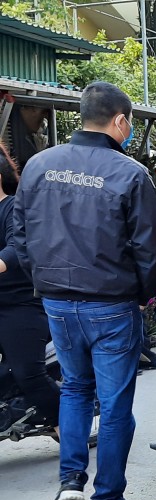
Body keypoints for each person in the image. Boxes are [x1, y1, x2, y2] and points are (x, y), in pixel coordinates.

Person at [13, 81, 156, 500]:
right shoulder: (129, 173)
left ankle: (69, 482)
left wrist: (42, 281)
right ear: (120, 121)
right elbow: (154, 248)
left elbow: (20, 236)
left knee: (75, 389)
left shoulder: (39, 166)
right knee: (116, 403)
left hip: (57, 305)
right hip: (111, 304)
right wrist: (141, 294)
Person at [0, 143, 61, 430]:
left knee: (28, 373)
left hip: (20, 304)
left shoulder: (11, 207)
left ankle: (68, 422)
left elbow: (15, 247)